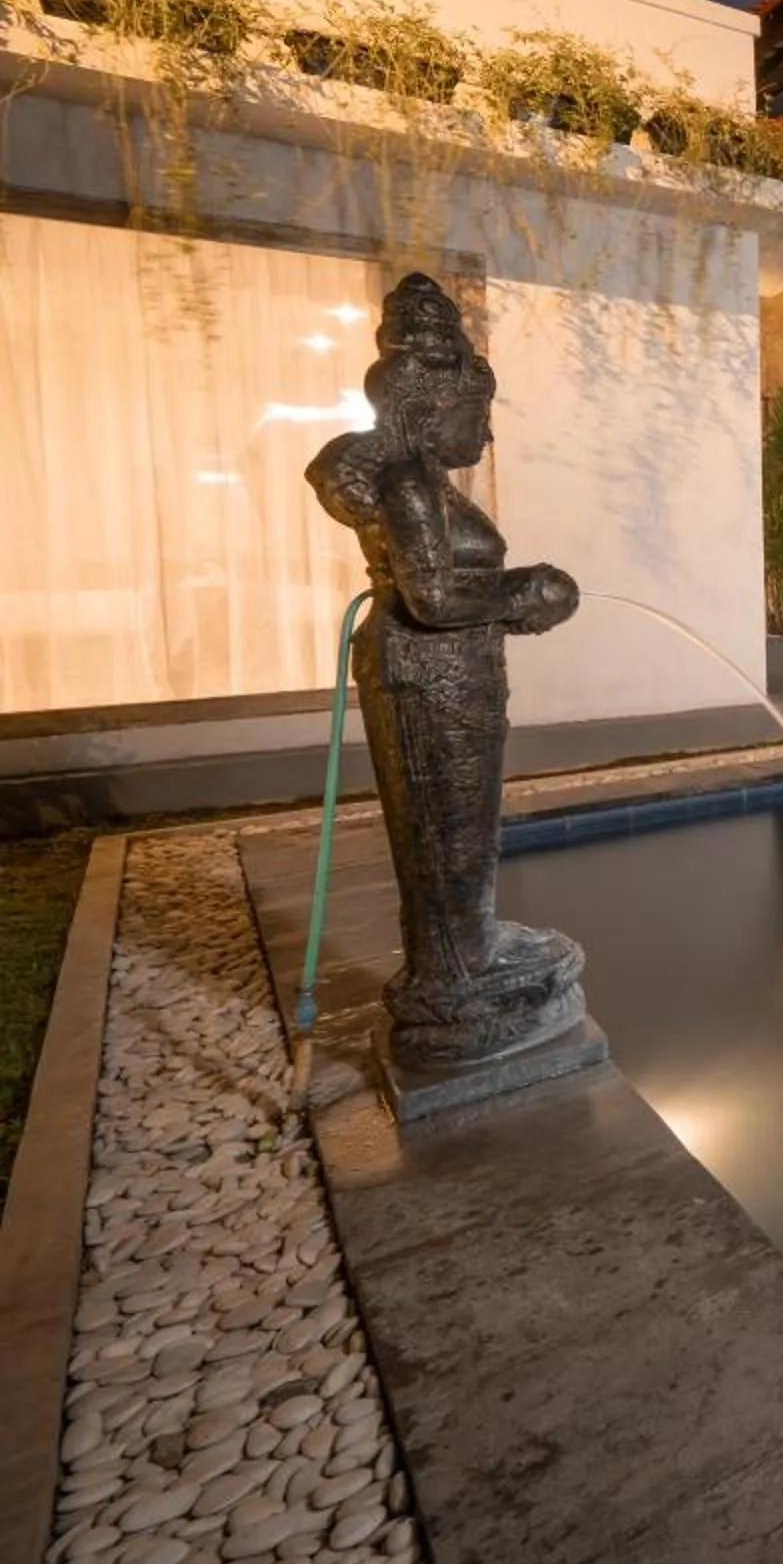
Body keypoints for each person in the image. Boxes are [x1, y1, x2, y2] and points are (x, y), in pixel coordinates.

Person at [307, 274, 587, 1071]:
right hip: (426, 675)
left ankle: (469, 944)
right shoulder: (406, 485)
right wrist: (523, 590)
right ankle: (452, 987)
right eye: (479, 414)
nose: (486, 434)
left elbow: (446, 591)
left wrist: (508, 604)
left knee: (464, 827)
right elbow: (429, 595)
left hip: (452, 673)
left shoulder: (428, 486)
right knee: (444, 825)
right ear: (433, 412)